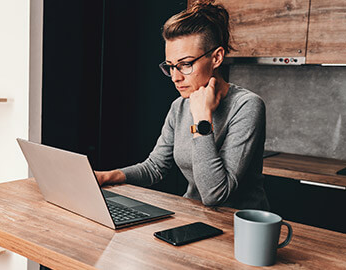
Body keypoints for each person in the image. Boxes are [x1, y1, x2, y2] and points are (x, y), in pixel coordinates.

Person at [95, 0, 269, 210]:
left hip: (241, 228)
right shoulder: (179, 106)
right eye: (170, 66)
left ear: (216, 57)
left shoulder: (247, 106)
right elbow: (155, 167)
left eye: (185, 64)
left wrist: (202, 119)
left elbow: (215, 194)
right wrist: (107, 176)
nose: (175, 77)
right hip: (195, 216)